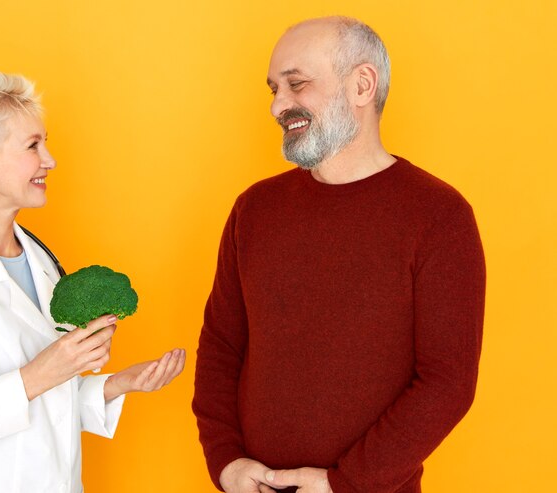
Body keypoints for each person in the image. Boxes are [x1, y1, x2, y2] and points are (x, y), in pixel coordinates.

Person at [192, 16, 485, 493]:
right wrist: (226, 462)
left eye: (296, 84)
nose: (278, 106)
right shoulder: (255, 209)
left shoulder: (439, 216)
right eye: (273, 89)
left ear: (362, 85)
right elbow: (223, 347)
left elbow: (446, 383)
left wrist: (345, 484)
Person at [0, 69, 185, 493]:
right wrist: (37, 375)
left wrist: (119, 383)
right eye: (33, 146)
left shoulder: (42, 263)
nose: (50, 160)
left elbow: (47, 404)